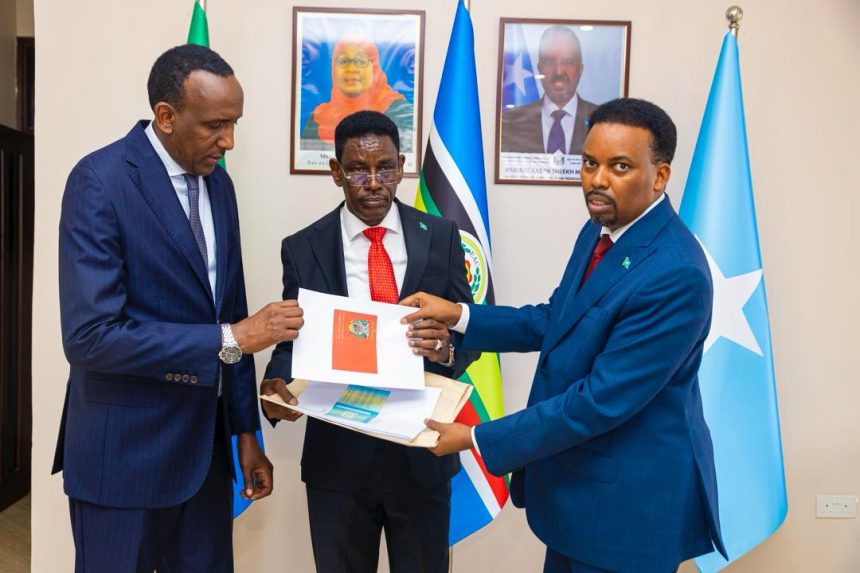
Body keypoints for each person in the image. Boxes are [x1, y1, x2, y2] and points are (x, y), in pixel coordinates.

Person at [402, 98, 729, 573]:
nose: (597, 180)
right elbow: (557, 318)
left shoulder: (676, 273)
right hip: (577, 495)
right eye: (590, 163)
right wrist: (459, 315)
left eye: (619, 166)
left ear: (659, 176)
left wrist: (476, 437)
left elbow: (598, 401)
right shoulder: (602, 228)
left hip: (626, 513)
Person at [53, 44, 304, 572]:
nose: (229, 141)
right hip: (123, 461)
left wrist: (244, 432)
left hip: (206, 461)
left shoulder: (220, 186)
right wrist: (230, 338)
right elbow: (91, 337)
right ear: (166, 116)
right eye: (215, 125)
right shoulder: (99, 180)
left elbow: (229, 310)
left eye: (234, 124)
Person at [261, 110, 477, 573]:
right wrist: (275, 386)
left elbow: (469, 331)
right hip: (338, 462)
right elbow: (293, 340)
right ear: (336, 172)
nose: (374, 183)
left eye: (385, 168)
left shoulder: (441, 237)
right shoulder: (303, 247)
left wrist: (444, 349)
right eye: (358, 169)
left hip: (421, 453)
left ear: (401, 167)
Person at [301, 35, 413, 149]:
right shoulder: (317, 119)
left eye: (360, 61)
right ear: (333, 68)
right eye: (343, 61)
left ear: (374, 68)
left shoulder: (402, 113)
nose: (351, 69)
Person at [501, 25, 598, 156]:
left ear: (580, 70)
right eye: (550, 62)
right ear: (539, 68)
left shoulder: (601, 121)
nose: (558, 71)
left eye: (567, 62)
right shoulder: (510, 123)